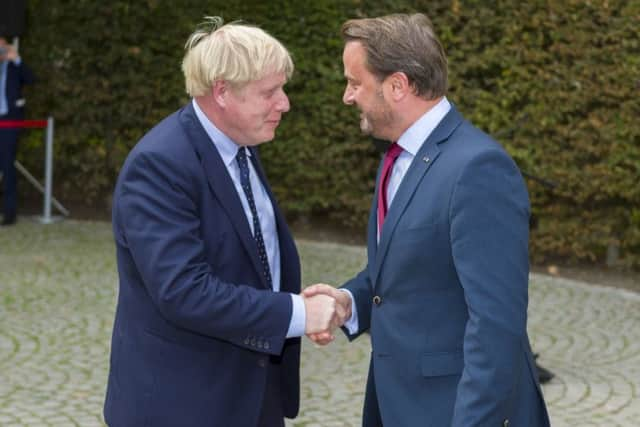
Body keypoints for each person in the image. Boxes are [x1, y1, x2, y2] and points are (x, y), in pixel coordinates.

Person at [305, 13, 551, 426]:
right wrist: (351, 302)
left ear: (397, 86)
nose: (348, 96)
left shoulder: (478, 169)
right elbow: (406, 268)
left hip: (452, 409)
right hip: (398, 402)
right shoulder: (397, 157)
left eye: (355, 82)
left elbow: (495, 325)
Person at [103, 17, 339, 427]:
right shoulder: (160, 164)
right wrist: (297, 314)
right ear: (222, 92)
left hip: (251, 392)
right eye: (269, 92)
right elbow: (183, 291)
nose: (284, 104)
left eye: (282, 89)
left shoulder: (240, 142)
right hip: (184, 403)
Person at [0, 36, 34, 226]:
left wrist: (16, 58)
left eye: (2, 48)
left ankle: (9, 213)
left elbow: (31, 79)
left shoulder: (14, 67)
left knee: (7, 165)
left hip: (8, 122)